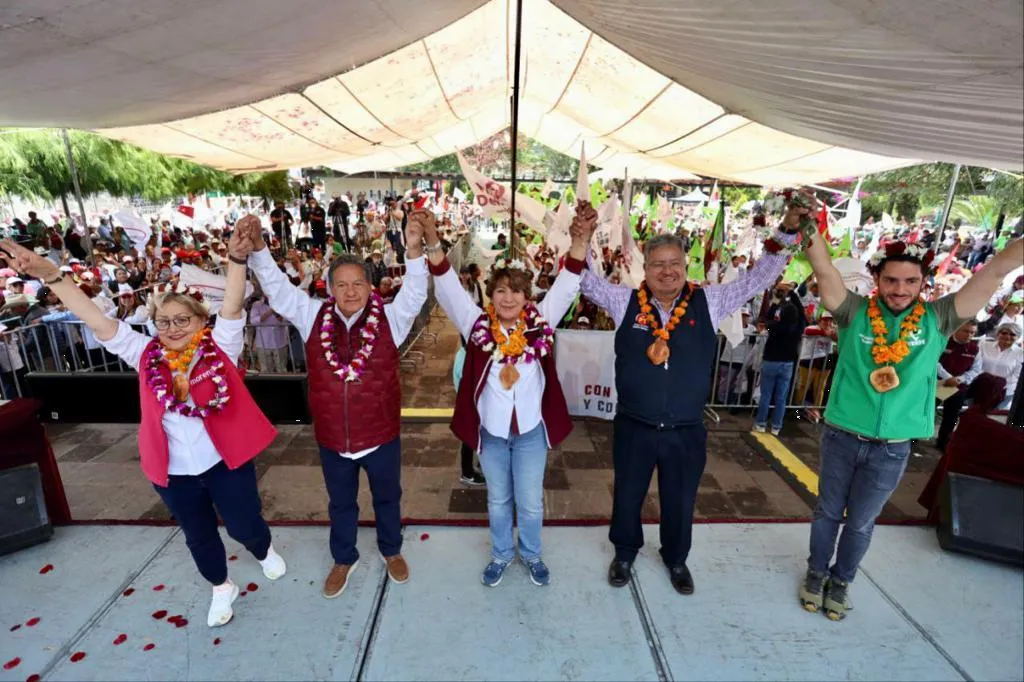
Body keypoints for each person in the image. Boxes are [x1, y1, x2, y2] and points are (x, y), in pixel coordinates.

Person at [1, 229, 286, 628]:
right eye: (163, 321)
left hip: (226, 463)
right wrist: (52, 275)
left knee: (244, 524)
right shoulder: (144, 354)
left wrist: (238, 261)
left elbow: (234, 306)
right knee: (198, 535)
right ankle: (221, 587)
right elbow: (96, 319)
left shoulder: (221, 347)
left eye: (182, 320)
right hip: (173, 474)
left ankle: (262, 548)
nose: (171, 328)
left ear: (202, 321)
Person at [580, 196, 808, 595]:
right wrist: (579, 238)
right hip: (634, 424)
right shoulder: (623, 301)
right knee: (628, 494)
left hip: (685, 429)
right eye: (658, 264)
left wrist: (786, 230)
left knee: (680, 499)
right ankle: (625, 552)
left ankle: (676, 559)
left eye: (675, 264)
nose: (667, 272)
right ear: (644, 268)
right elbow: (583, 280)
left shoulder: (710, 300)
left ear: (686, 267)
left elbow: (759, 279)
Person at [799, 232, 1023, 620]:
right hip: (841, 436)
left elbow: (996, 270)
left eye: (910, 281)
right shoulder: (853, 312)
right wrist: (805, 225)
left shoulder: (939, 318)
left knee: (862, 523)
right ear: (877, 281)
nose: (899, 290)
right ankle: (816, 573)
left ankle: (842, 580)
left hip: (893, 447)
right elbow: (823, 267)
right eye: (891, 280)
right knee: (827, 514)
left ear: (924, 284)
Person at [238, 211, 429, 597]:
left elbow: (415, 292)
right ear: (330, 289)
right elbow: (278, 290)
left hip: (380, 436)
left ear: (370, 286)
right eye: (342, 284)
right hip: (332, 438)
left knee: (388, 497)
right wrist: (259, 249)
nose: (351, 291)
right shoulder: (312, 316)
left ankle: (391, 550)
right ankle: (344, 557)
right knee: (341, 504)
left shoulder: (391, 318)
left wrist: (413, 250)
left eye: (358, 283)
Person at [427, 203, 596, 587]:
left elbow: (568, 283)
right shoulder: (476, 326)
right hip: (492, 433)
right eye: (500, 291)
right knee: (499, 500)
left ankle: (532, 554)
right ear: (491, 295)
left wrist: (580, 241)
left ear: (527, 297)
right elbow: (451, 291)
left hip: (532, 433)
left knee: (532, 501)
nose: (508, 298)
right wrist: (435, 245)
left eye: (516, 292)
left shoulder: (540, 324)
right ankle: (502, 554)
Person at [754, 280, 806, 434]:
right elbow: (802, 314)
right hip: (787, 363)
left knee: (766, 395)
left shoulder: (774, 325)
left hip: (771, 360)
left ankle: (761, 424)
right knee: (781, 398)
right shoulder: (797, 326)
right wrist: (791, 294)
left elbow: (768, 316)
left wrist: (778, 301)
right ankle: (776, 427)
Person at [933, 320, 983, 450]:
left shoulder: (974, 349)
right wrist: (948, 377)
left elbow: (976, 369)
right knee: (928, 411)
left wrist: (960, 379)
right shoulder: (943, 341)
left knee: (951, 416)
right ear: (956, 329)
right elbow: (934, 361)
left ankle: (942, 442)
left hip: (958, 387)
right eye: (965, 331)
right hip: (937, 383)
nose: (969, 335)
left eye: (972, 332)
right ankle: (914, 438)